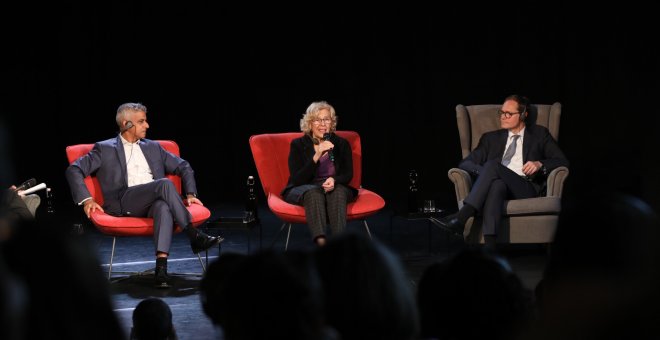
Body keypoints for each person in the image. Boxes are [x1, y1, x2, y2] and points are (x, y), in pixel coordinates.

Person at [65, 102, 223, 288]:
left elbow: (183, 166)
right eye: (141, 122)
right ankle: (193, 235)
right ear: (127, 124)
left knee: (163, 207)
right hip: (124, 201)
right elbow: (74, 169)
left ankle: (161, 270)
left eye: (145, 121)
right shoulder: (104, 148)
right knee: (164, 184)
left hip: (151, 201)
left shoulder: (152, 147)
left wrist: (190, 193)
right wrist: (87, 199)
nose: (147, 126)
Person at [438, 95, 569, 250]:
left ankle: (463, 216)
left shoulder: (540, 134)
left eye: (509, 113)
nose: (503, 117)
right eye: (501, 112)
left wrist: (540, 164)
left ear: (523, 114)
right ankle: (490, 249)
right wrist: (487, 173)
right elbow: (465, 163)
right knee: (496, 184)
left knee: (493, 166)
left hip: (525, 187)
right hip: (497, 183)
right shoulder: (490, 138)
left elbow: (563, 161)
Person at [281, 101, 357, 246]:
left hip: (333, 185)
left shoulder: (341, 144)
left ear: (332, 122)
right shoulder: (298, 144)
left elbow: (348, 174)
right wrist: (317, 155)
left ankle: (338, 246)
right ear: (310, 123)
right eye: (317, 119)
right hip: (305, 187)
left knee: (339, 192)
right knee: (314, 193)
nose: (322, 123)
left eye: (326, 119)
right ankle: (322, 246)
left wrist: (334, 180)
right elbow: (297, 179)